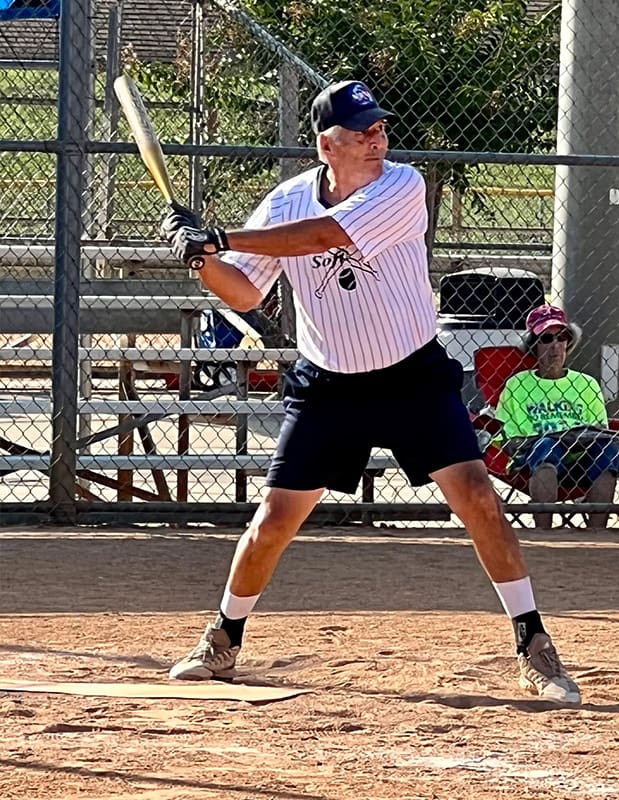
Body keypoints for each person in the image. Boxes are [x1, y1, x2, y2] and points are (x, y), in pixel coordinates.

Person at [161, 80, 580, 704]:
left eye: (380, 128)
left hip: (412, 375)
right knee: (275, 520)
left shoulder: (401, 187)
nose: (377, 139)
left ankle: (533, 645)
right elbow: (246, 292)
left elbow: (326, 237)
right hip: (329, 384)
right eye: (362, 132)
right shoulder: (283, 203)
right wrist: (198, 258)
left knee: (476, 498)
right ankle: (222, 639)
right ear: (328, 144)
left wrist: (218, 238)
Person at [495, 304, 619, 530]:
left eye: (561, 337)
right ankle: (545, 532)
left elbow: (599, 427)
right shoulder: (518, 385)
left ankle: (597, 533)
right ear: (533, 345)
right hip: (537, 455)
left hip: (581, 453)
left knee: (608, 450)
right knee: (546, 445)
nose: (555, 346)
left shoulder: (586, 383)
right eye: (546, 338)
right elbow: (505, 435)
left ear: (568, 341)